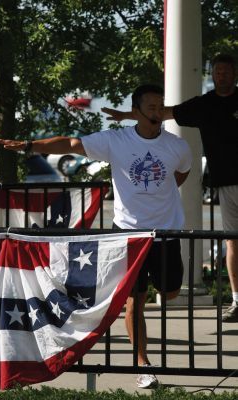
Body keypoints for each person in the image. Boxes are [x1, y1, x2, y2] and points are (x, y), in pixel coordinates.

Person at [0, 84, 192, 389]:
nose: (157, 111)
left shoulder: (178, 146)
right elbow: (70, 143)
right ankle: (142, 363)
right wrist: (30, 146)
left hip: (166, 232)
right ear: (136, 112)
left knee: (171, 292)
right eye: (151, 106)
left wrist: (162, 196)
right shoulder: (115, 141)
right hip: (129, 234)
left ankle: (157, 295)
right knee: (134, 301)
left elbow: (183, 172)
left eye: (160, 106)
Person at [102, 53, 238, 323]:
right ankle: (237, 300)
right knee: (233, 240)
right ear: (211, 74)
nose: (221, 75)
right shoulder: (205, 104)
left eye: (226, 71)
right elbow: (162, 112)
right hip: (226, 180)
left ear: (235, 73)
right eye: (217, 71)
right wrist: (127, 115)